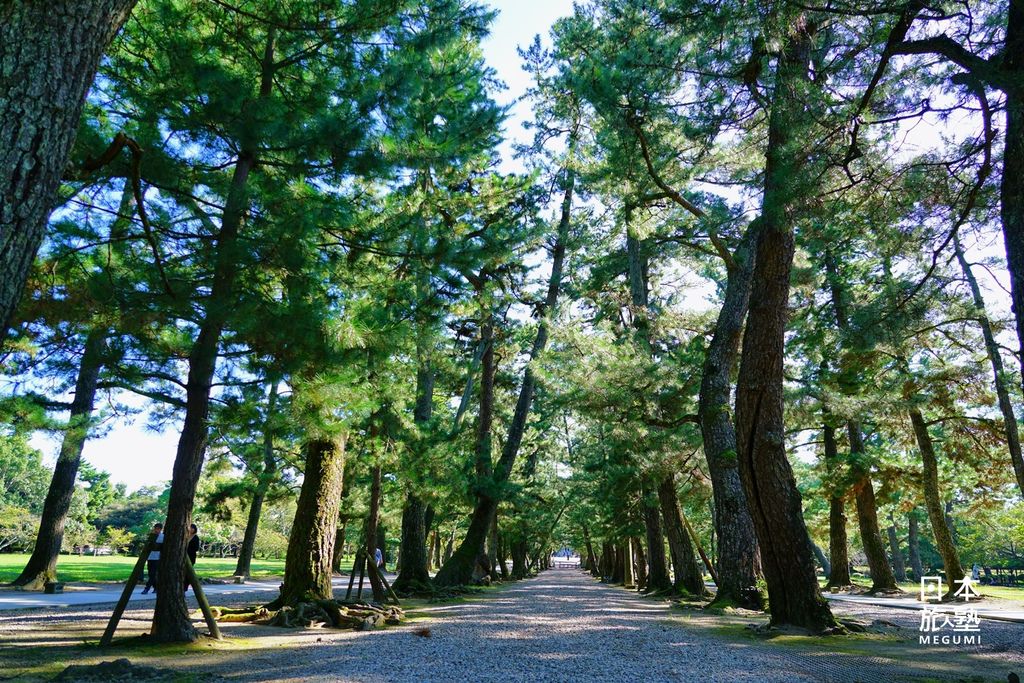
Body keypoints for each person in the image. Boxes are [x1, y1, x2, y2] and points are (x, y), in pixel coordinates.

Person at [141, 522, 163, 594]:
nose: (156, 530)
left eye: (158, 529)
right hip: (150, 557)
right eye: (155, 529)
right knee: (151, 573)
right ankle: (156, 587)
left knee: (153, 573)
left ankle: (147, 588)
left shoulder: (162, 536)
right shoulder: (151, 536)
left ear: (160, 529)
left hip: (157, 557)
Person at [184, 523, 200, 592]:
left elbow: (196, 548)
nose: (191, 529)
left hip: (191, 556)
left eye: (192, 528)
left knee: (189, 572)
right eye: (190, 528)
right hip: (184, 556)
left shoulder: (195, 537)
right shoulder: (186, 536)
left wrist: (188, 549)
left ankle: (186, 585)